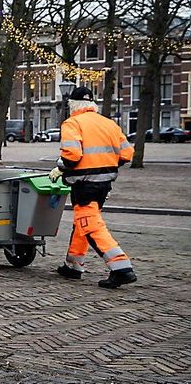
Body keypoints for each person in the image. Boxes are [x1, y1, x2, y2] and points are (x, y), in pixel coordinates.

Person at [49, 86, 136, 288]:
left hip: (84, 183)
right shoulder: (109, 124)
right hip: (104, 183)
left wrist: (60, 167)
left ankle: (121, 268)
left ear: (72, 105)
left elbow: (71, 154)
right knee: (83, 222)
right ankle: (73, 265)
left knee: (89, 224)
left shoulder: (72, 123)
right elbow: (127, 154)